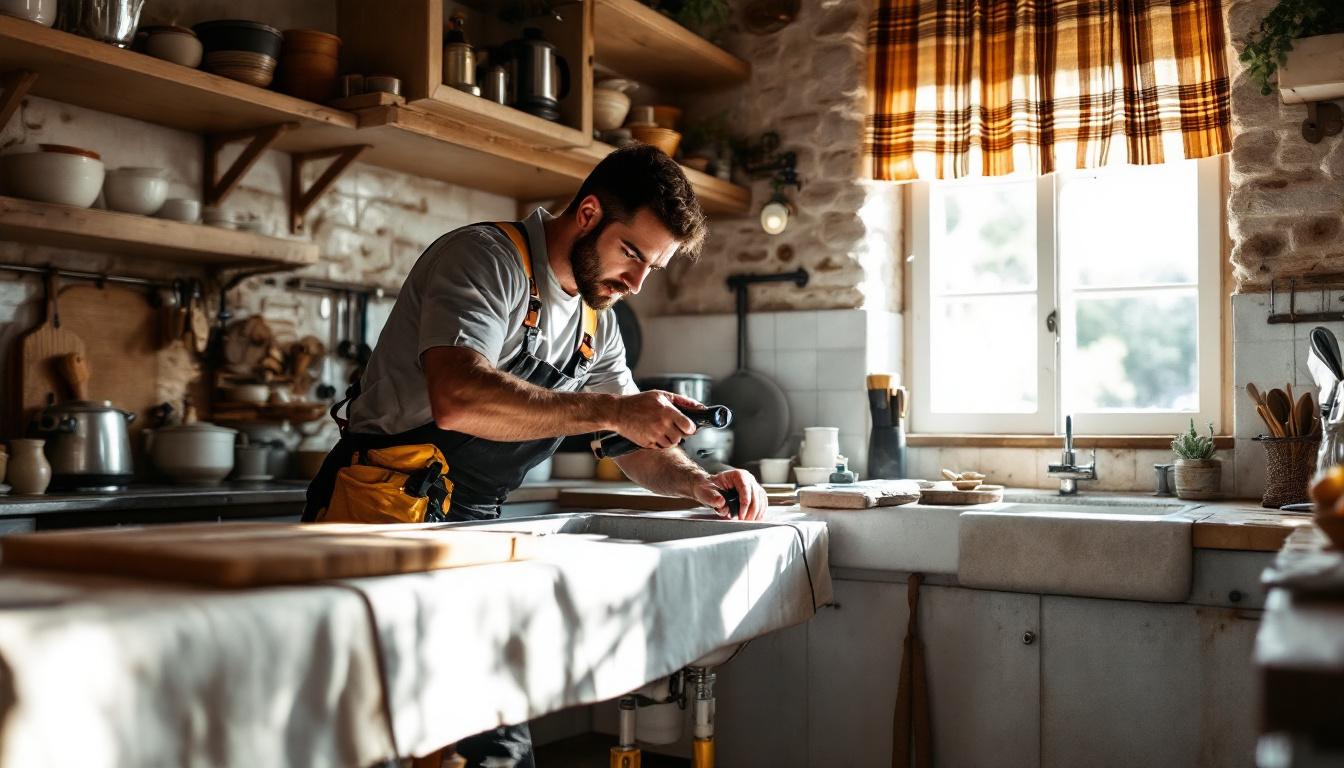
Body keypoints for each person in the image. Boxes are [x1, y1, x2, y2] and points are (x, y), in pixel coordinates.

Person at [303, 144, 768, 766]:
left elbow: (628, 444)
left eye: (649, 268)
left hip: (468, 526)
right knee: (374, 730)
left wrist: (700, 483)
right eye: (631, 253)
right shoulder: (485, 258)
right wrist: (609, 410)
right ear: (589, 212)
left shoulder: (594, 322)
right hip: (381, 511)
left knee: (482, 732)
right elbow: (458, 399)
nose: (634, 282)